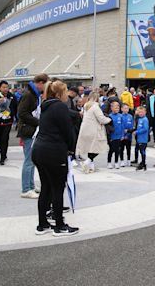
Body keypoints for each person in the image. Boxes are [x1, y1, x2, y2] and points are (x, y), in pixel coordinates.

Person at [31, 80, 78, 236]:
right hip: (53, 151)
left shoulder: (46, 105)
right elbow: (68, 132)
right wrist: (71, 150)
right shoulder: (59, 106)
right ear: (59, 93)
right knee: (58, 188)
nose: (67, 95)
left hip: (39, 150)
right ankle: (59, 225)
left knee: (46, 187)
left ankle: (42, 223)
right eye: (65, 92)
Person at [17, 73, 49, 199]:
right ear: (40, 83)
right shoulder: (29, 95)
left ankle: (30, 185)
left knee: (31, 160)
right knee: (29, 161)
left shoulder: (33, 94)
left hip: (31, 130)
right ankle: (26, 189)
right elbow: (22, 113)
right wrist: (39, 122)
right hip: (28, 130)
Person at [76, 92, 112, 173]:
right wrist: (110, 119)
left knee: (90, 148)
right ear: (96, 98)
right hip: (94, 130)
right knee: (98, 148)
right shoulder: (95, 107)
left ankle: (90, 167)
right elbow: (101, 119)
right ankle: (87, 162)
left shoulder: (86, 106)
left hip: (85, 129)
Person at [0, 80, 17, 165]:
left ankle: (3, 156)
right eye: (3, 87)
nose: (5, 89)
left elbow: (15, 107)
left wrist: (11, 114)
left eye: (7, 87)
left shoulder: (12, 96)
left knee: (5, 138)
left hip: (8, 121)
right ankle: (3, 153)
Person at [107, 101, 124, 169]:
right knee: (111, 149)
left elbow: (122, 126)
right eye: (115, 107)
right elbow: (108, 128)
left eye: (118, 107)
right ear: (111, 108)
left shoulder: (120, 116)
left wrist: (122, 135)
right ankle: (109, 162)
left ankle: (116, 162)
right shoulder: (110, 116)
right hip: (112, 136)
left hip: (118, 136)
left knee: (117, 149)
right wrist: (109, 137)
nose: (117, 109)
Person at [134, 106, 149, 171]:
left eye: (142, 112)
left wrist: (136, 132)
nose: (141, 113)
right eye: (139, 112)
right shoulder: (139, 119)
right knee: (140, 150)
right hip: (139, 138)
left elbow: (145, 129)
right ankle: (142, 163)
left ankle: (143, 163)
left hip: (143, 139)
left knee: (142, 151)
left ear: (145, 112)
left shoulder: (145, 119)